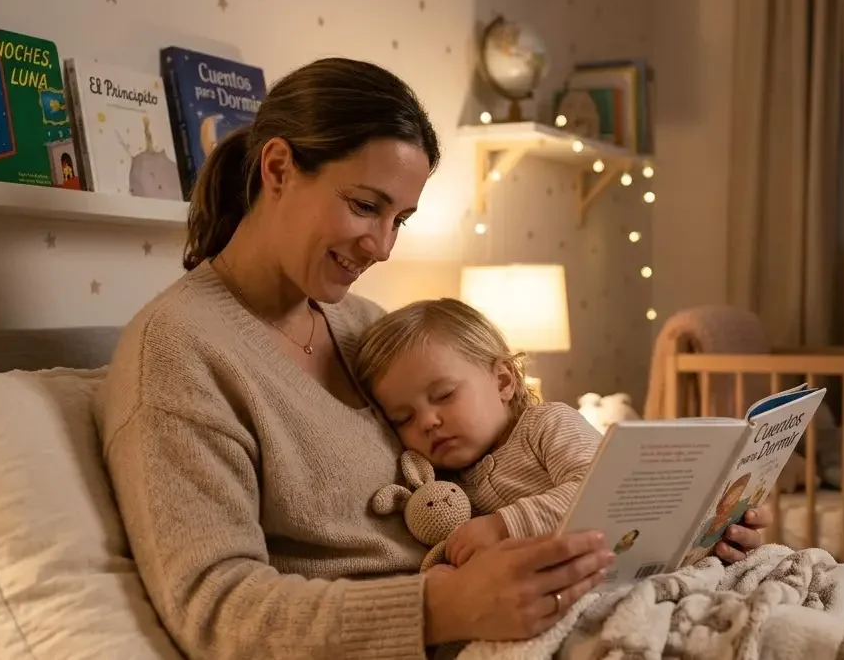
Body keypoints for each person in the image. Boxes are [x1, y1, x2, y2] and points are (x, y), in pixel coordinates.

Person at [94, 56, 773, 660]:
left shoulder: (363, 327)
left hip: (526, 602)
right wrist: (444, 607)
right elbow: (216, 610)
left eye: (401, 219)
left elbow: (499, 466)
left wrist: (693, 523)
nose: (383, 246)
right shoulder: (178, 352)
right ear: (277, 169)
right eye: (366, 206)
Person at [353, 297, 601, 566]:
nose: (426, 422)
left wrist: (501, 527)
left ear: (503, 382)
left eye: (444, 395)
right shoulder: (448, 486)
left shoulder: (547, 425)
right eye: (403, 418)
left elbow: (601, 493)